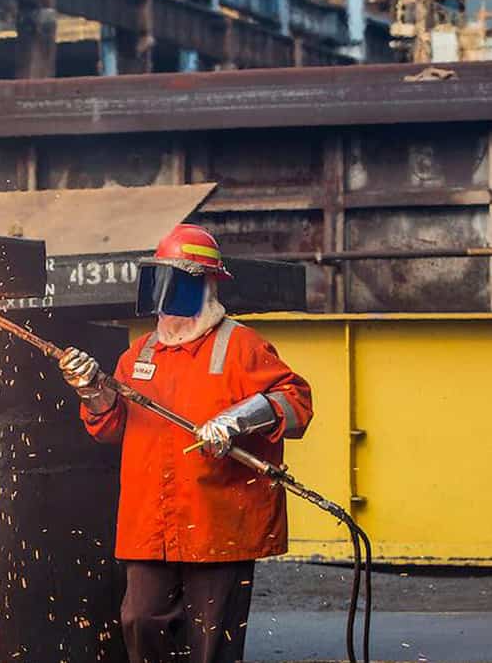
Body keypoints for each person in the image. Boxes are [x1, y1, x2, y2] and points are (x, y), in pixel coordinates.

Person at [59, 224, 313, 663]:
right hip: (151, 524)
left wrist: (237, 419)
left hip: (218, 523)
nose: (167, 295)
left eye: (178, 282)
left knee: (210, 643)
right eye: (163, 281)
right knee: (139, 618)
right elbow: (110, 426)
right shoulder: (138, 354)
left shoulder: (241, 346)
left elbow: (295, 403)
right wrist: (90, 389)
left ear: (204, 286)